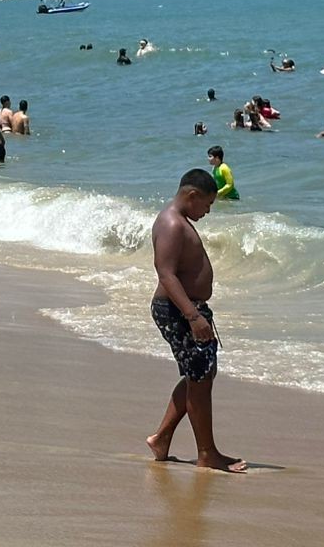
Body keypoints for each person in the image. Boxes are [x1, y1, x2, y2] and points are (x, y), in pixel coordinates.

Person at [146, 169, 243, 471]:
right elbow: (166, 274)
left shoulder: (179, 220)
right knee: (199, 379)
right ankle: (207, 453)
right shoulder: (172, 223)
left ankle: (162, 438)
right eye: (207, 204)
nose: (208, 211)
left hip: (188, 309)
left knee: (201, 374)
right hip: (179, 311)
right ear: (192, 196)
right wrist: (192, 316)